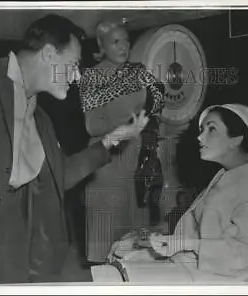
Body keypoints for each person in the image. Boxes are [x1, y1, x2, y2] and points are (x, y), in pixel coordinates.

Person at [0, 14, 149, 284]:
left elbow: (59, 176)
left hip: (16, 254)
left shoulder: (41, 119)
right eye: (74, 64)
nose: (78, 76)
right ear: (48, 54)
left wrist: (112, 139)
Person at [97, 104, 248, 283]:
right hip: (194, 263)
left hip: (219, 278)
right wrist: (156, 237)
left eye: (212, 129)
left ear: (236, 139)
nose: (200, 137)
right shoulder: (226, 175)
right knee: (120, 254)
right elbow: (198, 227)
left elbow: (245, 256)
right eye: (201, 129)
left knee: (114, 278)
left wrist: (186, 244)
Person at [78, 20, 165, 263]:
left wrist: (149, 118)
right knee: (105, 239)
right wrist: (124, 126)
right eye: (116, 41)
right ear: (101, 46)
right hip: (107, 163)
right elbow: (91, 125)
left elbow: (159, 99)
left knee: (136, 244)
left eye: (126, 40)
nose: (124, 46)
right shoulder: (92, 76)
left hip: (138, 162)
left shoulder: (139, 71)